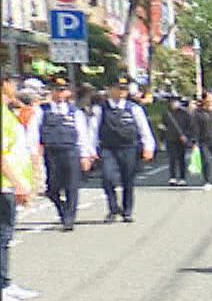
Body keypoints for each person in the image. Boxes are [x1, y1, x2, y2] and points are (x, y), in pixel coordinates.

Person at [89, 76, 155, 223]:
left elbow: (144, 129)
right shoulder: (101, 109)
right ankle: (113, 208)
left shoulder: (134, 108)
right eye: (119, 88)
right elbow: (93, 131)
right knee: (107, 178)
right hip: (108, 149)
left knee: (128, 180)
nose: (122, 91)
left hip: (129, 148)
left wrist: (148, 147)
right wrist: (91, 151)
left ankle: (127, 211)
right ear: (111, 90)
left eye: (125, 88)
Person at [37, 78, 92, 230]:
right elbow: (33, 134)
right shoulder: (42, 110)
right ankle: (62, 210)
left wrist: (85, 155)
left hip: (71, 151)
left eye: (62, 90)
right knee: (52, 188)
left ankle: (69, 219)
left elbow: (82, 135)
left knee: (72, 186)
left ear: (68, 92)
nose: (60, 94)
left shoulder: (75, 112)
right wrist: (33, 153)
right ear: (51, 91)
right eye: (56, 90)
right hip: (51, 152)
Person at [1, 88, 36, 301]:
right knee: (2, 237)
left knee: (5, 237)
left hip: (8, 185)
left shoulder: (7, 112)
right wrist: (18, 183)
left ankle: (5, 282)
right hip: (4, 184)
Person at [162, 95, 194, 186]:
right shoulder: (167, 114)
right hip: (170, 139)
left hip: (181, 140)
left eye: (175, 102)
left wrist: (187, 136)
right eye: (172, 102)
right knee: (172, 159)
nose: (174, 104)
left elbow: (190, 127)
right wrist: (162, 138)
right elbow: (163, 127)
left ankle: (182, 178)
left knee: (181, 159)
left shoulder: (185, 114)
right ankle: (172, 177)